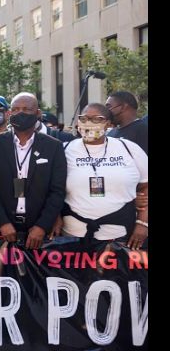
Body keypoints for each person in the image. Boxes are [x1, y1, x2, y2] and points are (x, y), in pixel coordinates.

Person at [52, 103, 148, 250]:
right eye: (83, 118)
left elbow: (145, 186)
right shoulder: (64, 150)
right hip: (72, 238)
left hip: (120, 238)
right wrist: (55, 216)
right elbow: (52, 189)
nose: (88, 123)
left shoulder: (128, 148)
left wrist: (143, 223)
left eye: (97, 119)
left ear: (108, 124)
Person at [0, 93, 67, 249]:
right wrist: (3, 223)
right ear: (9, 113)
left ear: (38, 113)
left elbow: (57, 191)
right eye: (16, 109)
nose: (20, 113)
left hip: (39, 233)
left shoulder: (53, 146)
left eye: (27, 109)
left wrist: (42, 226)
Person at [106, 90, 148, 155]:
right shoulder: (111, 133)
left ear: (123, 107)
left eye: (109, 107)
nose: (106, 111)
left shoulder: (143, 130)